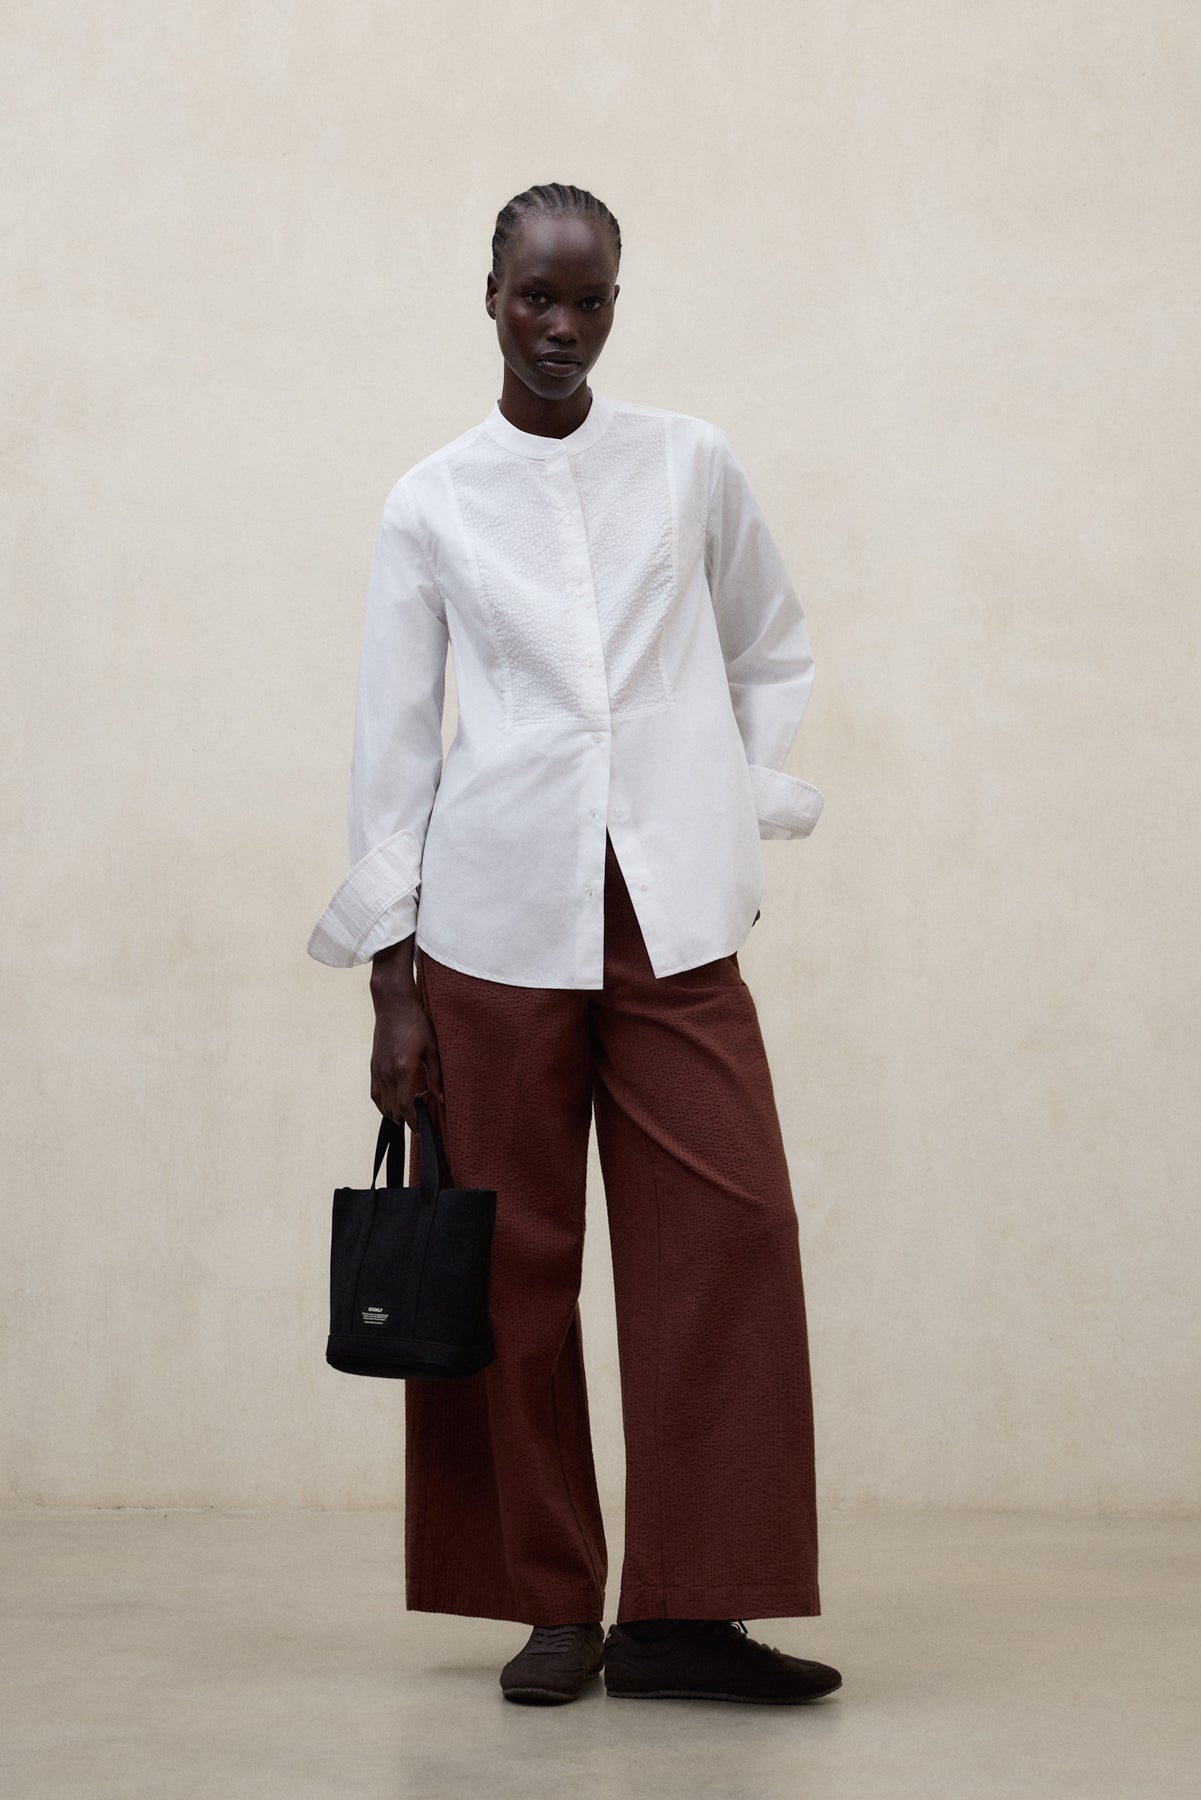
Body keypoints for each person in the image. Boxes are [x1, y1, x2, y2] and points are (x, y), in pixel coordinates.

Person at [308, 181, 841, 1708]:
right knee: (513, 1268)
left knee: (731, 1238)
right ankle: (552, 1602)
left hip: (667, 916)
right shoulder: (432, 501)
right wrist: (393, 982)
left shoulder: (688, 463)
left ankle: (687, 1615)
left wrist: (728, 807)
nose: (560, 324)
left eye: (587, 298)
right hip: (490, 923)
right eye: (534, 296)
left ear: (616, 303)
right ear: (488, 297)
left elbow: (769, 644)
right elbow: (393, 743)